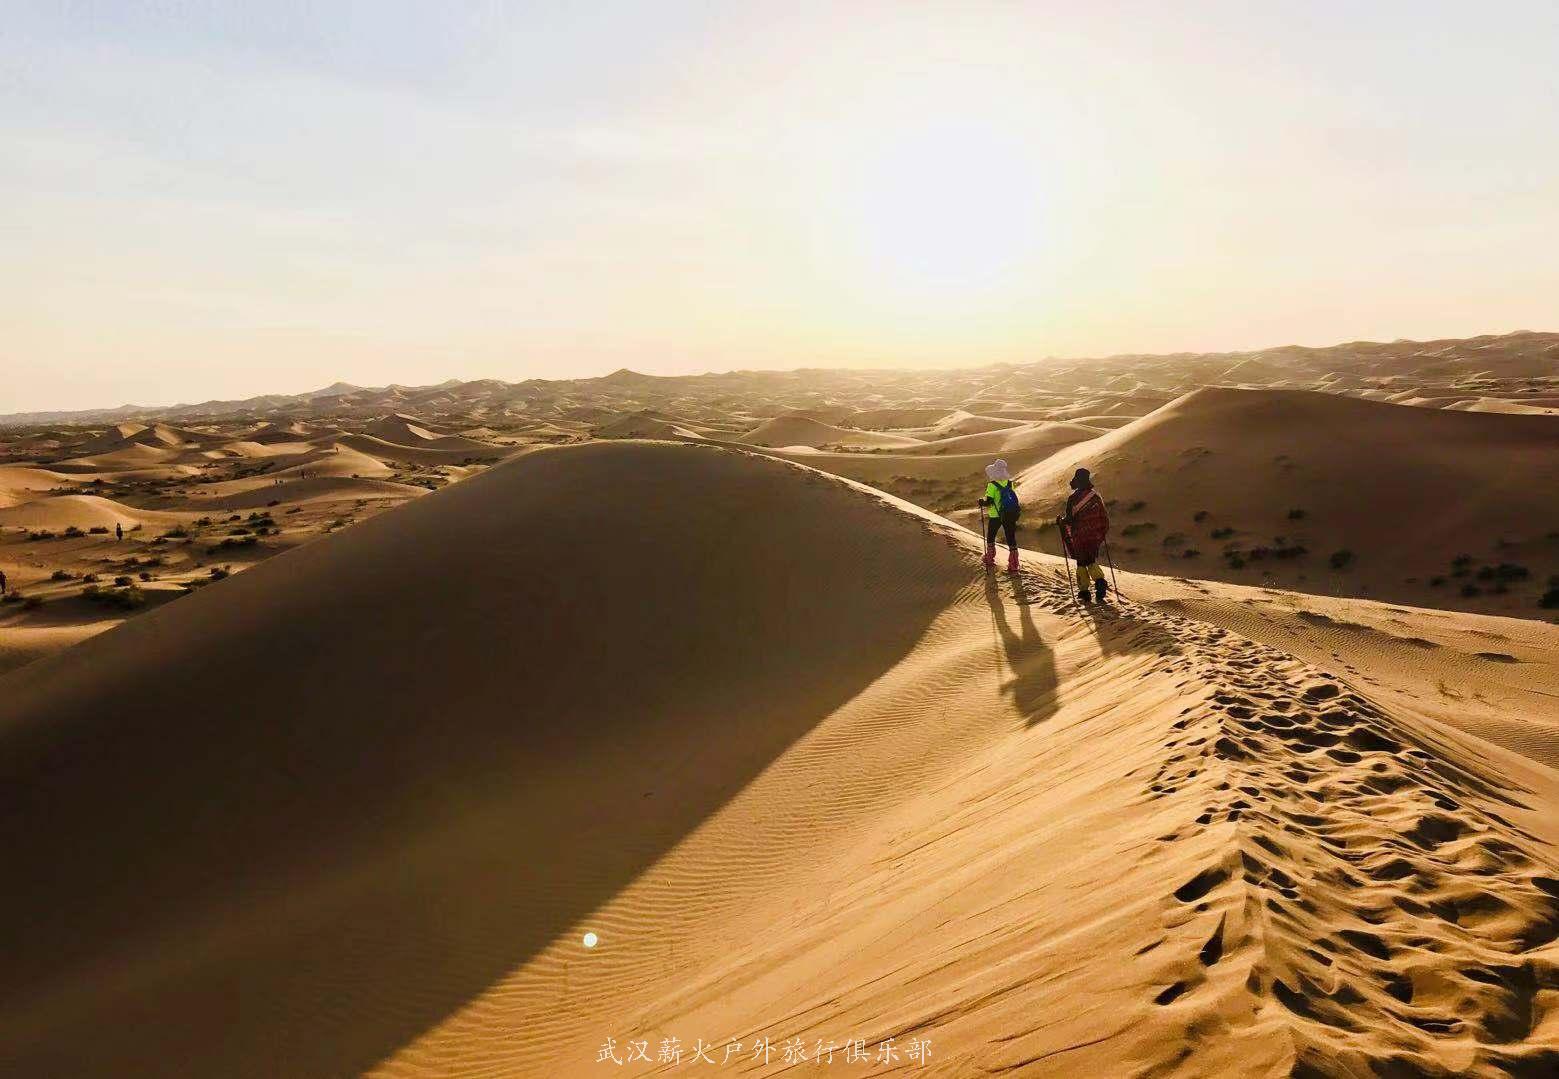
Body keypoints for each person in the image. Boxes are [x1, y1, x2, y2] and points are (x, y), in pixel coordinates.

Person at [1060, 467, 1110, 603]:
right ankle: (1100, 582)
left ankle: (1084, 591)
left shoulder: (1073, 498)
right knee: (1091, 560)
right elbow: (1103, 516)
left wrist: (1061, 522)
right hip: (1094, 536)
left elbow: (1069, 519)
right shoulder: (1095, 496)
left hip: (1080, 536)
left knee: (1082, 563)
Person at [979, 459, 1021, 572]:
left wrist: (981, 502)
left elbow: (989, 501)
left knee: (991, 536)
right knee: (1011, 538)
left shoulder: (992, 485)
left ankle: (990, 558)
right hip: (1009, 514)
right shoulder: (1009, 483)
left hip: (996, 515)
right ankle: (1014, 564)